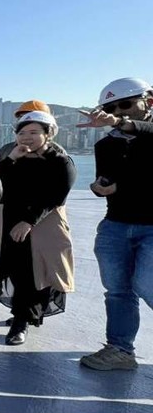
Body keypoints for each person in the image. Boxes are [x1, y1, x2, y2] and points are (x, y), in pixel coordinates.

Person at [77, 77, 153, 371]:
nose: (119, 111)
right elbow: (104, 181)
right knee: (118, 290)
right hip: (116, 225)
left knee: (147, 285)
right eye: (111, 107)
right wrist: (99, 187)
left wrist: (121, 123)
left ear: (148, 102)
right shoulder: (107, 145)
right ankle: (120, 350)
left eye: (125, 104)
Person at [0, 111, 75, 345]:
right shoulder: (13, 158)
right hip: (11, 221)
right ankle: (25, 313)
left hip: (44, 224)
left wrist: (29, 221)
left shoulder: (60, 161)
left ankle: (23, 319)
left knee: (38, 271)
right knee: (17, 269)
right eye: (21, 132)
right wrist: (11, 158)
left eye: (33, 132)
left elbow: (56, 196)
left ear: (48, 134)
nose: (26, 137)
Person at [0, 99, 62, 295]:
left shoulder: (58, 155)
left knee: (40, 264)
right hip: (7, 211)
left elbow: (57, 191)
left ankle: (29, 311)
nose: (26, 121)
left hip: (41, 217)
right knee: (3, 253)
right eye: (21, 118)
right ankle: (1, 286)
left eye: (34, 128)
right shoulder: (7, 150)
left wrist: (31, 219)